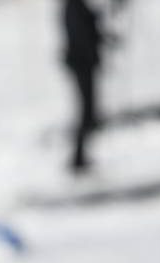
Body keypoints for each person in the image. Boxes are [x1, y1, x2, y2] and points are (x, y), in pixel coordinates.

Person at [62, 0, 103, 174]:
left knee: (88, 111)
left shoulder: (76, 5)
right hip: (83, 65)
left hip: (84, 63)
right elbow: (81, 35)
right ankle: (78, 157)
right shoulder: (73, 6)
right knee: (86, 111)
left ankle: (80, 155)